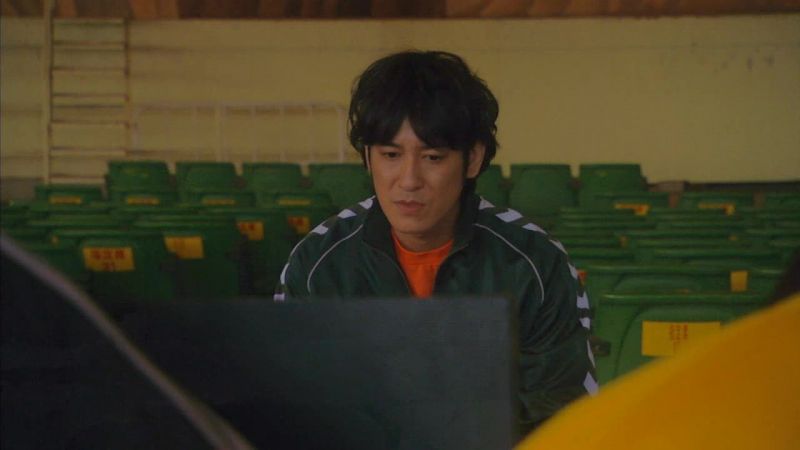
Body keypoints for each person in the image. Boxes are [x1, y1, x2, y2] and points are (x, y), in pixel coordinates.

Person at [274, 50, 596, 432]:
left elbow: (564, 416)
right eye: (390, 154)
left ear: (472, 159)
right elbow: (291, 412)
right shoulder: (317, 265)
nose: (409, 180)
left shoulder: (535, 265)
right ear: (368, 157)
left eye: (432, 157)